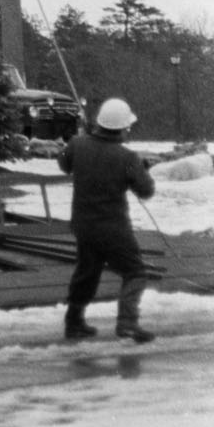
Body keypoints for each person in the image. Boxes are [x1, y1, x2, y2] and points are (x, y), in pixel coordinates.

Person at [57, 97, 157, 343]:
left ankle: (74, 322)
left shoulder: (77, 145)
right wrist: (141, 168)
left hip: (83, 225)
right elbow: (146, 190)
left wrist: (78, 142)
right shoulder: (128, 158)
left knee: (87, 272)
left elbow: (64, 164)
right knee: (135, 272)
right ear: (123, 127)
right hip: (113, 228)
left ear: (99, 123)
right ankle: (127, 325)